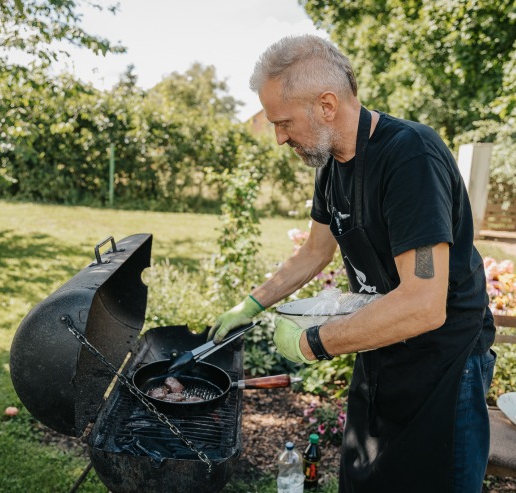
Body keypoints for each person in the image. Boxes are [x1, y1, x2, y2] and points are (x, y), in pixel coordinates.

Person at [208, 35, 496, 493]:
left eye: (283, 123)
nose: (279, 137)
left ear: (326, 105)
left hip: (444, 365)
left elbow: (424, 303)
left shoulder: (410, 158)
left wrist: (314, 343)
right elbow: (314, 252)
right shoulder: (332, 163)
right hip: (381, 347)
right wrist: (250, 305)